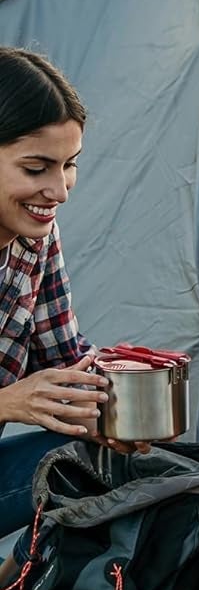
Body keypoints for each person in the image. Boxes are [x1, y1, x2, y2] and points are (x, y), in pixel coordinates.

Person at [0, 48, 116, 539]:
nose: (60, 191)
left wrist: (117, 407)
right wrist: (7, 403)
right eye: (36, 168)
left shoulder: (35, 241)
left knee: (99, 462)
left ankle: (20, 578)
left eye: (69, 165)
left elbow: (66, 359)